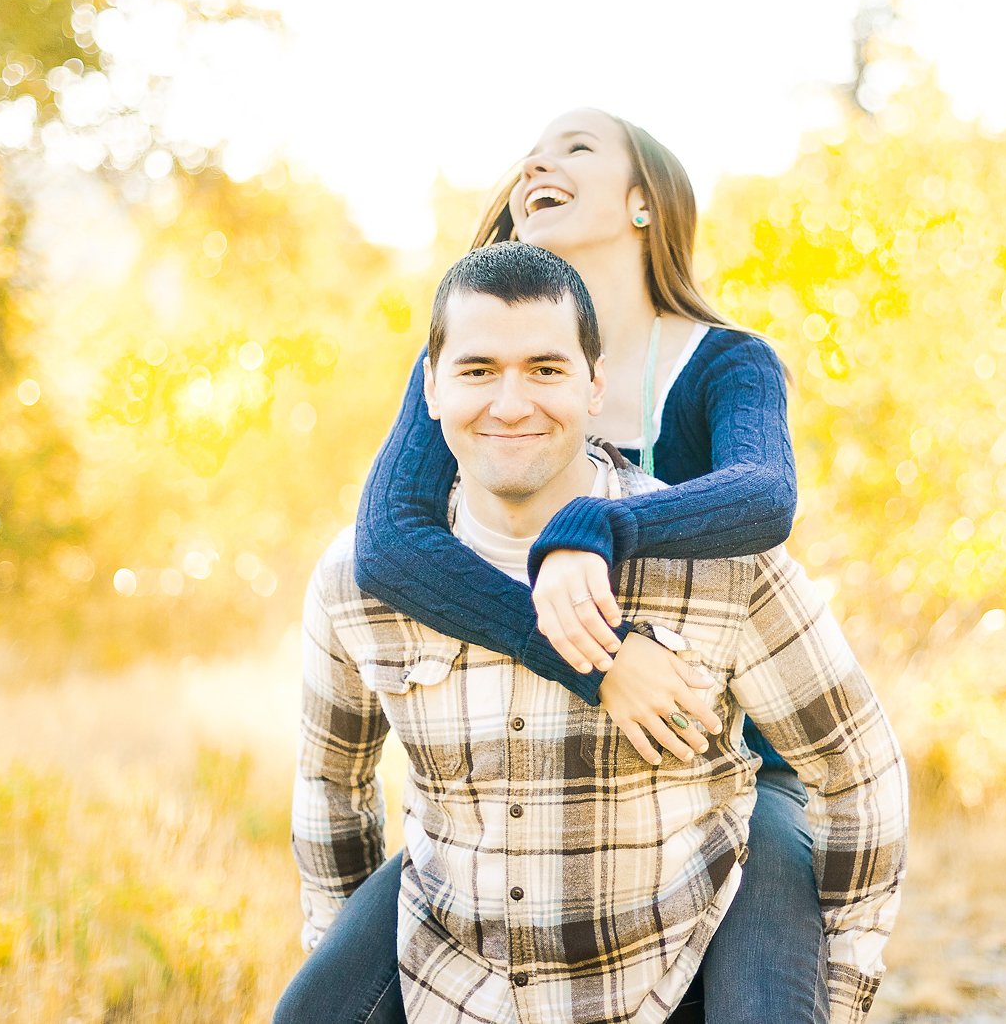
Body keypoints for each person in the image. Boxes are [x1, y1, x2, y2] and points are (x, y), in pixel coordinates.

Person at [281, 242, 907, 1024]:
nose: (511, 403)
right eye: (478, 371)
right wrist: (337, 945)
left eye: (545, 369)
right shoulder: (357, 579)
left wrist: (840, 990)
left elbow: (858, 771)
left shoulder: (715, 566)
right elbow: (329, 787)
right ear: (431, 388)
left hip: (669, 975)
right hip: (454, 984)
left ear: (594, 385)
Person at [353, 110, 823, 1017]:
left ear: (647, 202)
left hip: (726, 756)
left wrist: (593, 529)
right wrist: (597, 659)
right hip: (526, 777)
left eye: (575, 147)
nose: (535, 159)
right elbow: (389, 543)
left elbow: (766, 496)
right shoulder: (477, 363)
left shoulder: (728, 361)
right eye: (532, 150)